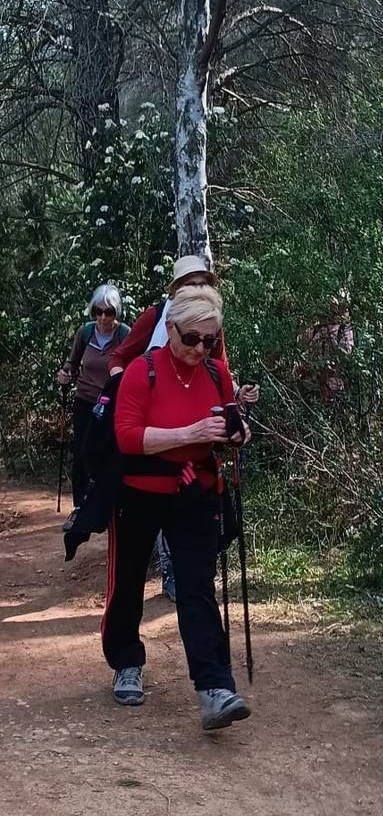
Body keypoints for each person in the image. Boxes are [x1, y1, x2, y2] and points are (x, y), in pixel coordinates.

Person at [104, 285, 251, 730]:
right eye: (192, 339)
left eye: (210, 340)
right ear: (170, 329)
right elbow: (128, 436)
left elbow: (229, 423)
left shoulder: (216, 372)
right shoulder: (140, 371)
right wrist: (188, 433)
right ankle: (126, 662)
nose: (200, 349)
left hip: (194, 491)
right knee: (129, 581)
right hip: (141, 492)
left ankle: (214, 688)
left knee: (195, 586)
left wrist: (237, 432)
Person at [107, 254, 259, 601]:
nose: (198, 288)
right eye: (191, 283)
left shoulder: (211, 329)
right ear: (177, 289)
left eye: (203, 282)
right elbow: (120, 356)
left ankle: (174, 576)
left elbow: (219, 373)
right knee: (131, 571)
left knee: (197, 581)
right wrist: (123, 388)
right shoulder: (156, 316)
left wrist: (235, 415)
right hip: (145, 450)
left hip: (195, 480)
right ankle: (162, 574)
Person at [57, 285, 129, 510]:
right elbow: (73, 361)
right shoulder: (85, 332)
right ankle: (80, 506)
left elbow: (134, 364)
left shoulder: (124, 334)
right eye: (99, 311)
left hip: (112, 403)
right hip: (85, 399)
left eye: (109, 312)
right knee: (81, 451)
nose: (103, 317)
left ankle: (106, 503)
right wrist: (65, 373)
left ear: (116, 312)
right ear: (93, 311)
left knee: (109, 451)